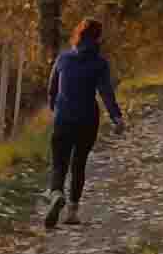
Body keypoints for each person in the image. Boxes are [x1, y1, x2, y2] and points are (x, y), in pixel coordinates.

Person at [45, 17, 124, 228]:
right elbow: (106, 92)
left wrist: (55, 108)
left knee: (59, 163)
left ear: (78, 35)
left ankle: (56, 194)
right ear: (98, 39)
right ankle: (72, 211)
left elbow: (51, 89)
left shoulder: (63, 58)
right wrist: (117, 117)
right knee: (79, 164)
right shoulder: (100, 63)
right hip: (88, 119)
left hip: (63, 118)